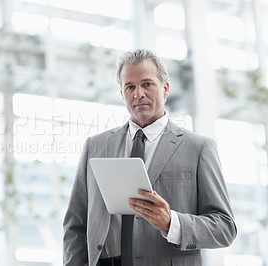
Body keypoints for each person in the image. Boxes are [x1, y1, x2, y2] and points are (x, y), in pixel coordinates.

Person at [63, 49, 237, 266]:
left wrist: (171, 223)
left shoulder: (199, 148)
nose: (138, 94)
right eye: (130, 87)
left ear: (165, 89)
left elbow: (225, 227)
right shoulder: (96, 146)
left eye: (147, 84)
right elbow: (75, 224)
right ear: (122, 94)